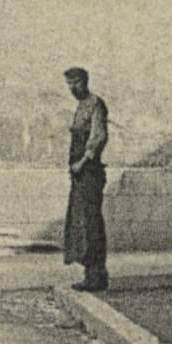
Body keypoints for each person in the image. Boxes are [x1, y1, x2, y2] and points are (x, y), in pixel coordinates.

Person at [61, 68, 112, 291]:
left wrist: (81, 163)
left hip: (90, 172)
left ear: (85, 81)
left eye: (76, 82)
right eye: (69, 84)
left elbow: (99, 137)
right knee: (81, 223)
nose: (72, 88)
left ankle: (97, 275)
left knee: (91, 223)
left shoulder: (95, 104)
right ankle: (90, 273)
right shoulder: (80, 106)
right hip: (79, 176)